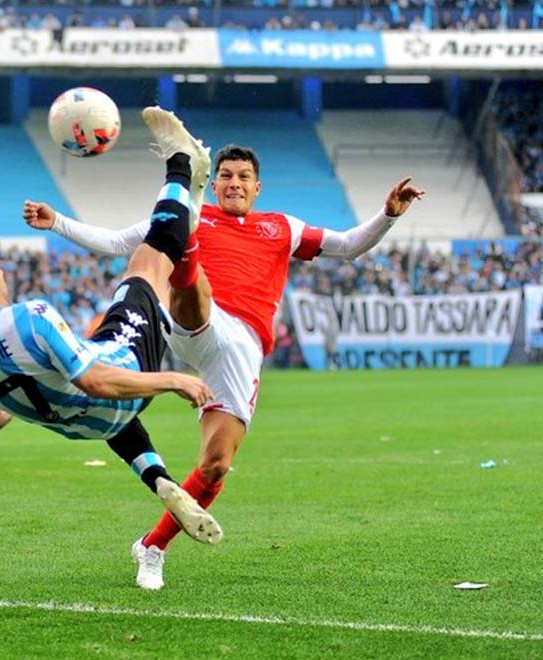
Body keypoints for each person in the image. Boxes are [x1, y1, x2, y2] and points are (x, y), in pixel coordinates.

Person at [24, 108, 425, 590]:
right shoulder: (195, 219)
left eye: (243, 178)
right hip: (191, 317)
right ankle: (187, 243)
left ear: (258, 188)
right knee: (189, 282)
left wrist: (388, 215)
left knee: (215, 465)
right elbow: (114, 241)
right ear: (212, 185)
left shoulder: (282, 228)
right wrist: (57, 223)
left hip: (242, 348)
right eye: (225, 176)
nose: (234, 183)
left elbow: (348, 245)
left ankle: (151, 548)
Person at [0, 109, 225, 584]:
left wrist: (27, 392)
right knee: (148, 261)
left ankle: (159, 481)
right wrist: (173, 379)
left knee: (85, 394)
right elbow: (96, 379)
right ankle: (182, 163)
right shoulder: (28, 317)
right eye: (0, 273)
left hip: (89, 425)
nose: (6, 277)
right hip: (122, 376)